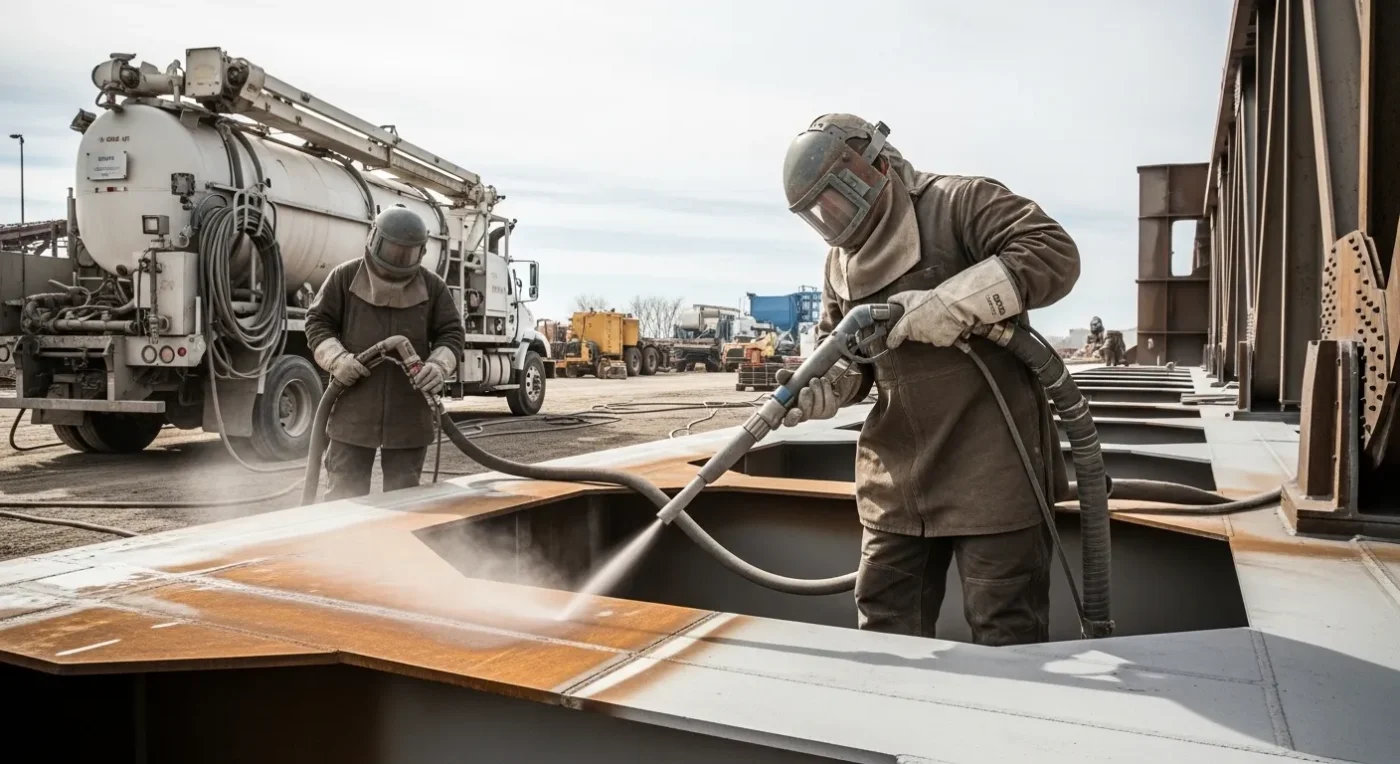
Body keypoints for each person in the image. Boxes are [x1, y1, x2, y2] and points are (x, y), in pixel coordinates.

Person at [777, 114, 1080, 645]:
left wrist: (954, 302)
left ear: (874, 165)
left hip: (993, 473)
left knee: (1005, 630)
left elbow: (1053, 253)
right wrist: (827, 391)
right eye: (821, 214)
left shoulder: (961, 203)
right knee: (885, 628)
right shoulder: (840, 265)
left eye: (839, 199)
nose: (836, 219)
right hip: (896, 483)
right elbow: (850, 361)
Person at [305, 204, 464, 500]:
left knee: (405, 502)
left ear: (421, 252)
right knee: (343, 500)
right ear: (374, 240)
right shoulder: (344, 276)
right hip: (352, 409)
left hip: (409, 413)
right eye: (393, 251)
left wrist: (439, 366)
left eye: (407, 253)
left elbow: (452, 333)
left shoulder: (433, 287)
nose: (398, 260)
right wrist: (338, 360)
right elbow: (317, 323)